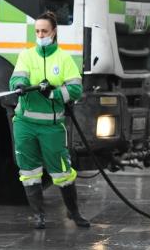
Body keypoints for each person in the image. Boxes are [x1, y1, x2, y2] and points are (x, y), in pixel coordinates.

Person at [8, 12, 90, 229]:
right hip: (25, 124)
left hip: (52, 127)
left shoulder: (64, 59)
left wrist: (52, 93)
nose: (40, 35)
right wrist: (19, 85)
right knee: (29, 171)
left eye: (44, 31)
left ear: (53, 32)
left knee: (62, 172)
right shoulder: (27, 56)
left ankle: (74, 213)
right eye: (37, 31)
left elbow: (76, 89)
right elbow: (16, 78)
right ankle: (38, 216)